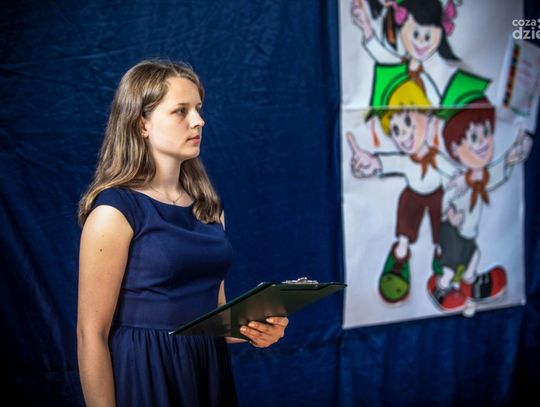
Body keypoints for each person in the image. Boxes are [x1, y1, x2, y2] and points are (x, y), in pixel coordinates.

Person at [76, 59, 288, 406]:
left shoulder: (209, 208)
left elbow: (215, 316)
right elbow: (90, 335)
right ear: (142, 124)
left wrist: (257, 329)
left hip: (207, 369)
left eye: (198, 109)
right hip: (145, 371)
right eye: (181, 111)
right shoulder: (113, 213)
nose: (199, 121)